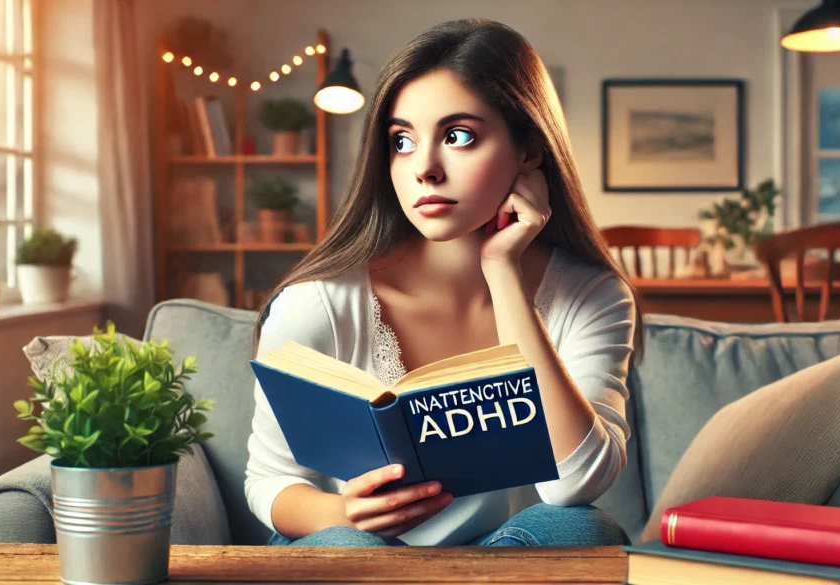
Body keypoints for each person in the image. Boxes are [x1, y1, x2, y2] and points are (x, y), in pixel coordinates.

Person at [245, 17, 643, 547]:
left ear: (528, 151)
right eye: (402, 141)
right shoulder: (318, 303)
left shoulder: (591, 296)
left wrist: (503, 272)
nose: (425, 169)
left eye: (458, 136)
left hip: (502, 560)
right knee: (349, 548)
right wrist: (346, 512)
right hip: (351, 547)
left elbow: (577, 483)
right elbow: (269, 481)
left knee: (581, 529)